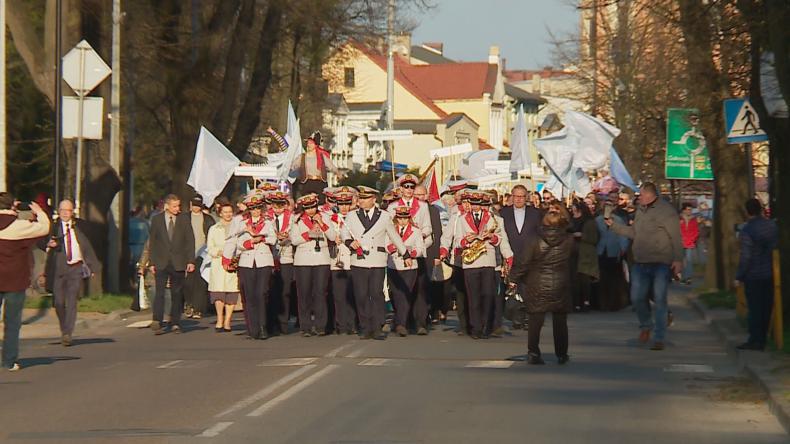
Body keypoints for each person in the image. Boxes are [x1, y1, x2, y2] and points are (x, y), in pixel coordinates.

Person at [606, 182, 683, 351]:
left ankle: (659, 337)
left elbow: (676, 236)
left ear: (649, 195)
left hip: (661, 262)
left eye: (640, 195)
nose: (638, 198)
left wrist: (678, 259)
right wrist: (615, 226)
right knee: (637, 297)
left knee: (660, 299)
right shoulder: (640, 210)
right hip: (640, 262)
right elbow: (634, 233)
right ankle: (646, 325)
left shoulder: (666, 211)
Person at [342, 186, 409, 340]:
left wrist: (405, 254)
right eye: (360, 198)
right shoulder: (352, 215)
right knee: (361, 294)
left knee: (376, 293)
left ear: (374, 199)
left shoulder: (384, 216)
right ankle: (365, 326)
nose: (361, 201)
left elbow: (394, 236)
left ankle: (378, 325)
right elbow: (344, 231)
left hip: (377, 259)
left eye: (365, 198)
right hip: (359, 260)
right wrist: (349, 242)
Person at [509, 207, 574, 365]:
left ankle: (533, 352)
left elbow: (524, 261)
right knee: (560, 321)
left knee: (535, 320)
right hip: (560, 282)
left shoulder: (534, 238)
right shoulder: (569, 239)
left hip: (537, 282)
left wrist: (513, 278)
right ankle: (562, 354)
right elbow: (572, 260)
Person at [450, 192, 510, 339]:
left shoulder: (492, 218)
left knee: (488, 294)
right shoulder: (462, 219)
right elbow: (457, 240)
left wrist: (492, 237)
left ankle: (486, 326)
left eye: (479, 204)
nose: (476, 207)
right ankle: (476, 328)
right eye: (474, 204)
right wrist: (466, 240)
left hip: (488, 260)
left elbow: (500, 239)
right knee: (473, 296)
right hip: (470, 262)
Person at [0, 194, 50, 371]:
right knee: (12, 323)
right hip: (15, 280)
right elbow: (44, 228)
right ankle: (9, 360)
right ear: (14, 205)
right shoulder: (20, 226)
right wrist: (38, 211)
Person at [43, 199, 100, 346]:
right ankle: (64, 328)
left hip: (75, 268)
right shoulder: (53, 227)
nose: (65, 214)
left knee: (72, 300)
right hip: (58, 270)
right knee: (59, 302)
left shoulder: (79, 227)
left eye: (68, 211)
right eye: (62, 210)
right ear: (59, 211)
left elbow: (87, 247)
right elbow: (40, 241)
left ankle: (68, 333)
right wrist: (48, 244)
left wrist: (93, 267)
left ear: (72, 212)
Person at [147, 194, 196, 335]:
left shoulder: (184, 219)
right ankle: (157, 320)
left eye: (179, 206)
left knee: (176, 292)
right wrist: (151, 261)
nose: (177, 209)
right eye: (174, 206)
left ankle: (175, 322)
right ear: (167, 206)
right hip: (161, 261)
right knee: (159, 292)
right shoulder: (157, 219)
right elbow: (153, 241)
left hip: (178, 261)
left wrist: (190, 261)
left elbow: (189, 240)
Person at [735, 199, 778, 351]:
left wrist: (739, 275)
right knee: (766, 307)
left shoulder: (747, 230)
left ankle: (755, 340)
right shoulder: (771, 226)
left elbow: (746, 256)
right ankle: (763, 338)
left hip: (753, 275)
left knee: (754, 309)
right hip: (770, 273)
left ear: (747, 211)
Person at [290, 193, 336, 337]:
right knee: (304, 293)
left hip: (321, 258)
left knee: (320, 293)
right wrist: (308, 234)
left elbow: (333, 237)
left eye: (313, 207)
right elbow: (294, 240)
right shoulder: (297, 219)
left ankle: (321, 325)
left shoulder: (325, 217)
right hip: (303, 259)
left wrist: (322, 224)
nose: (311, 210)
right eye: (308, 208)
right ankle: (305, 326)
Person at [236, 190, 276, 339]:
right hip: (246, 261)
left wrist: (261, 238)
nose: (255, 211)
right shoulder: (242, 224)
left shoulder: (267, 223)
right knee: (250, 296)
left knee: (261, 293)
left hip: (263, 261)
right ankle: (253, 329)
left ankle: (262, 326)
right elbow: (238, 243)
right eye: (252, 208)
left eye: (258, 208)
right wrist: (251, 241)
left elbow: (273, 239)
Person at [387, 206, 429, 336]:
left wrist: (411, 252)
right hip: (394, 265)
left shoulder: (416, 231)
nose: (403, 220)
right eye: (400, 218)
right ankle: (400, 321)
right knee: (396, 294)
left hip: (410, 266)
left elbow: (421, 249)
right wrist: (394, 248)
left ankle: (401, 324)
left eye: (405, 218)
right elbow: (385, 244)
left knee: (405, 294)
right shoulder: (391, 230)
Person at [207, 202, 239, 332]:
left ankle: (228, 321)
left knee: (231, 293)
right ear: (220, 213)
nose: (228, 214)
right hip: (218, 263)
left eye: (230, 212)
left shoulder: (237, 227)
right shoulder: (214, 229)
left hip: (233, 262)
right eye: (225, 212)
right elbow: (210, 247)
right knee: (219, 293)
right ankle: (220, 319)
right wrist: (219, 252)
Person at [329, 187, 357, 335]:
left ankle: (352, 323)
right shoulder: (331, 219)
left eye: (347, 203)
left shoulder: (355, 218)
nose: (344, 207)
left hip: (352, 259)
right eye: (341, 204)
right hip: (337, 260)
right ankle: (340, 324)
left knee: (352, 294)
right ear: (337, 204)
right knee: (339, 294)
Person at [269, 190, 296, 335]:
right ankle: (272, 322)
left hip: (286, 256)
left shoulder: (291, 218)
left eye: (281, 205)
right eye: (275, 205)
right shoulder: (267, 218)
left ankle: (284, 322)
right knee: (271, 291)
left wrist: (286, 237)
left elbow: (295, 234)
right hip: (270, 257)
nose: (278, 208)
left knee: (285, 291)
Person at [184, 195, 215, 319]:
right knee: (188, 282)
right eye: (194, 204)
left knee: (200, 283)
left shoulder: (208, 219)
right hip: (187, 254)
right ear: (191, 205)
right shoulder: (184, 218)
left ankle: (198, 308)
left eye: (198, 205)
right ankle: (189, 304)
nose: (196, 207)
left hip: (203, 254)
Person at [595, 201, 631, 311]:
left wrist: (623, 249)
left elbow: (623, 236)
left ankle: (613, 303)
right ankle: (601, 303)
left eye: (610, 206)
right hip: (600, 251)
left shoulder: (618, 220)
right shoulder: (598, 220)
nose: (608, 209)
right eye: (606, 206)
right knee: (601, 279)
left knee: (613, 280)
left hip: (614, 252)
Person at [291, 131, 341, 199]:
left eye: (311, 143)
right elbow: (293, 166)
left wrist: (338, 173)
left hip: (320, 183)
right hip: (307, 183)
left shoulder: (322, 156)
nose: (309, 145)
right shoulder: (302, 157)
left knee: (321, 201)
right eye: (308, 143)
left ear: (315, 144)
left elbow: (331, 167)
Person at [569, 201, 599, 311]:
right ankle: (576, 303)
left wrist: (582, 235)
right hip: (572, 253)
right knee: (574, 280)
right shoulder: (570, 220)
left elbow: (594, 238)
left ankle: (586, 302)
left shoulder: (589, 221)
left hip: (585, 253)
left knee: (585, 279)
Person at [679, 203, 699, 285]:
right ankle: (682, 277)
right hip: (680, 242)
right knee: (681, 260)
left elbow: (696, 231)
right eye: (688, 209)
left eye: (690, 210)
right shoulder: (679, 218)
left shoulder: (693, 219)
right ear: (684, 210)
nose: (689, 211)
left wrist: (692, 239)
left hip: (689, 242)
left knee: (689, 260)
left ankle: (688, 277)